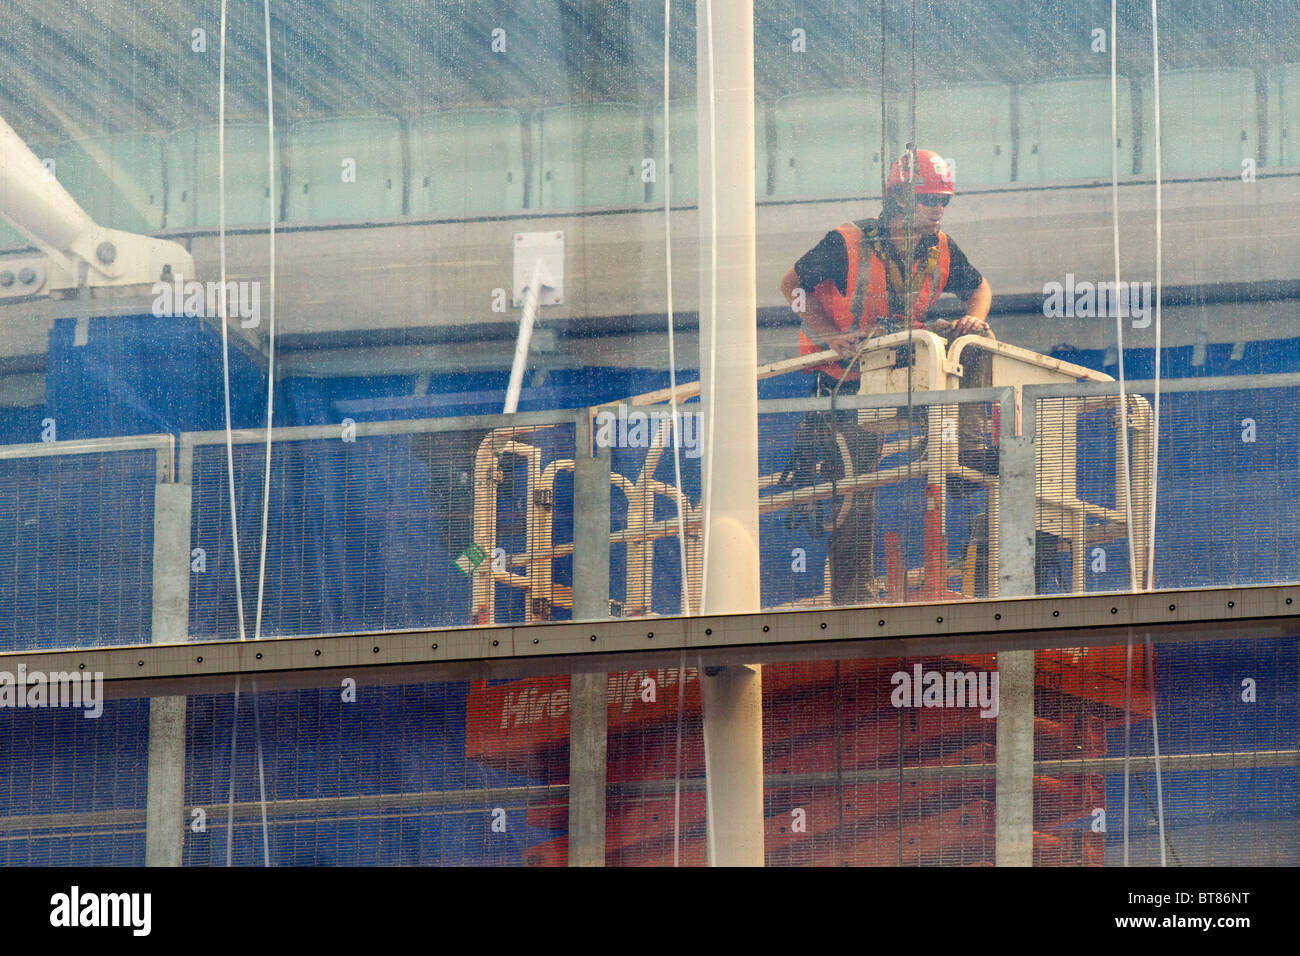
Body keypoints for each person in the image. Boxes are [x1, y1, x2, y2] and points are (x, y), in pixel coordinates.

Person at [778, 146, 995, 604]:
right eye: (929, 200)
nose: (938, 210)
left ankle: (965, 450)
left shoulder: (941, 249)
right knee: (855, 485)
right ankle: (852, 597)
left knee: (972, 344)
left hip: (899, 370)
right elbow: (791, 286)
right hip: (844, 382)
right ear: (899, 200)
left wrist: (971, 319)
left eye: (944, 201)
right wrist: (830, 334)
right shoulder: (846, 243)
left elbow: (979, 287)